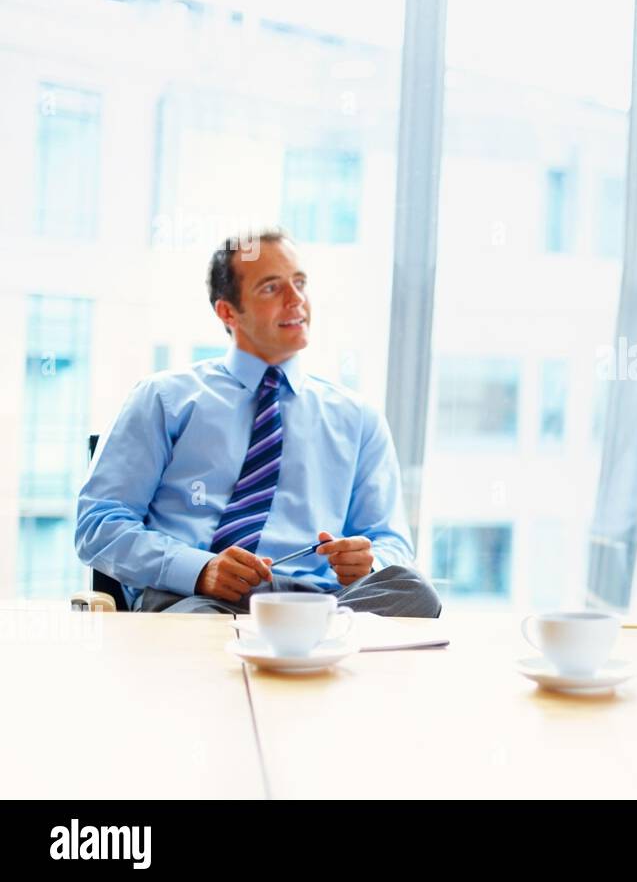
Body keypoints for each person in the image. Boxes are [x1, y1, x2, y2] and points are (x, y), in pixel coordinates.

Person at [76, 228, 440, 617]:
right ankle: (298, 643)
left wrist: (369, 563)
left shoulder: (358, 418)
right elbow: (98, 527)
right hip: (194, 598)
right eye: (271, 288)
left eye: (299, 283)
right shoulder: (164, 398)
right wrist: (199, 569)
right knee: (199, 624)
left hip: (320, 602)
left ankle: (306, 633)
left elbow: (391, 542)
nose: (296, 300)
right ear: (228, 312)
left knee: (414, 592)